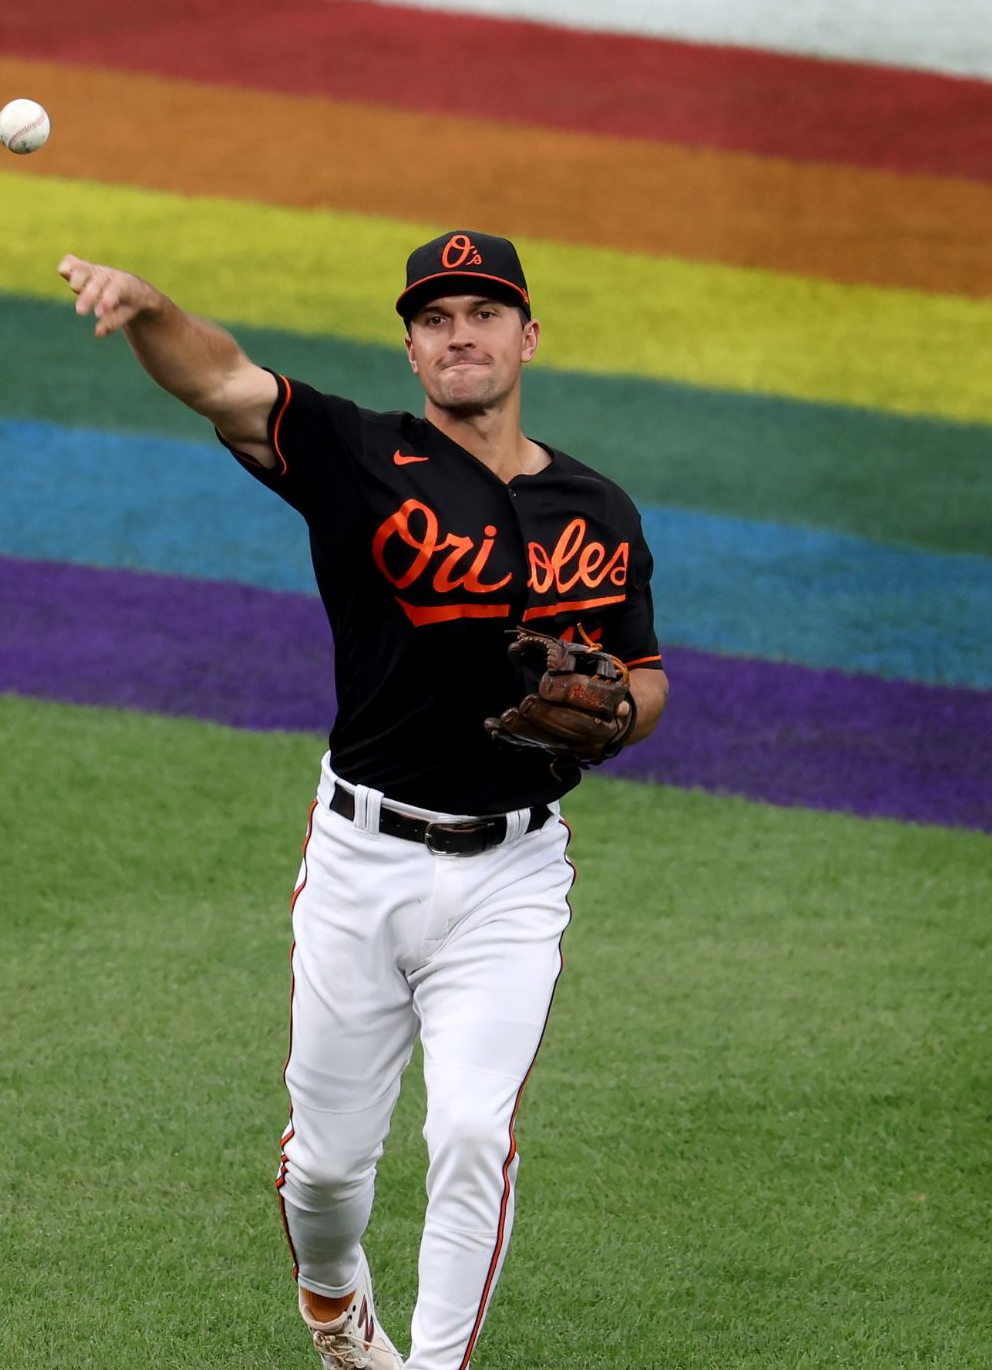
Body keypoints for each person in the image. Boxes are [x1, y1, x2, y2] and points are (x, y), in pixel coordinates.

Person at [60, 231, 668, 1368]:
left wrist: (624, 716)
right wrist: (149, 306)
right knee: (327, 1171)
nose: (460, 334)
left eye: (483, 314)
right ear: (411, 348)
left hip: (513, 872)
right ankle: (335, 1301)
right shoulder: (356, 455)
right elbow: (220, 381)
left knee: (472, 1131)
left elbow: (643, 674)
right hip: (361, 860)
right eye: (437, 319)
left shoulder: (601, 509)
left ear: (527, 336)